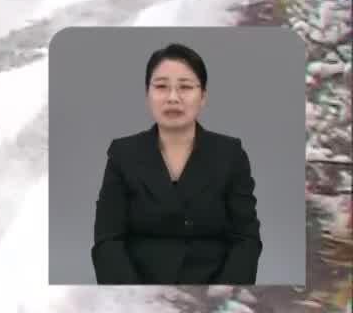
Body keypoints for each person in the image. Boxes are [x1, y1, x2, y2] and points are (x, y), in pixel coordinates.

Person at [91, 43, 261, 285]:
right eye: (161, 87)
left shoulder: (230, 154)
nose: (173, 98)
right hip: (138, 294)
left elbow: (246, 240)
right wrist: (134, 298)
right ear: (147, 94)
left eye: (185, 87)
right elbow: (107, 241)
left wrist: (222, 294)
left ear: (203, 97)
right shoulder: (123, 154)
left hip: (213, 293)